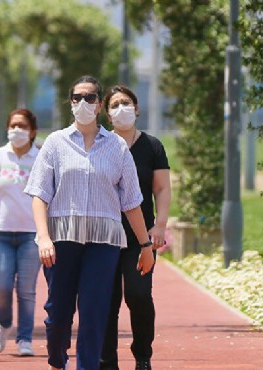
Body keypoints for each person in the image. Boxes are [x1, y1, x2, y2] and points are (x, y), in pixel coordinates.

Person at [24, 75, 155, 370]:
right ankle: (57, 355)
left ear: (99, 105)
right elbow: (39, 194)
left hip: (104, 243)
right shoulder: (55, 144)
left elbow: (132, 202)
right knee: (59, 312)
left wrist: (145, 245)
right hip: (62, 241)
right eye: (77, 98)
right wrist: (43, 237)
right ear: (70, 103)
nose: (83, 103)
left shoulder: (117, 148)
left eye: (90, 98)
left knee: (95, 311)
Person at [99, 85, 171, 370]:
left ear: (137, 109)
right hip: (102, 236)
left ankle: (142, 355)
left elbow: (162, 188)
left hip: (140, 238)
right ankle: (107, 362)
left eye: (126, 103)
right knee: (106, 300)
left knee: (138, 295)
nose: (121, 109)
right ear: (106, 114)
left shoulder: (152, 146)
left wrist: (160, 225)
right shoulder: (100, 144)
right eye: (114, 105)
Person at [0, 108, 42, 356]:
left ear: (33, 131)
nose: (17, 130)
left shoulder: (40, 158)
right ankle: (4, 324)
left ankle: (25, 338)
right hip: (1, 233)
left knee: (26, 289)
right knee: (2, 286)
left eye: (23, 126)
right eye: (13, 125)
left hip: (31, 234)